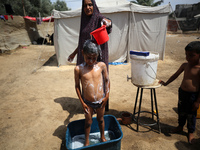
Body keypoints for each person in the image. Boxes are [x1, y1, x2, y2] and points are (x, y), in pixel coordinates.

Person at [68, 0, 112, 111]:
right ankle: (88, 104)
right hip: (86, 57)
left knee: (100, 79)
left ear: (94, 5)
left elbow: (107, 21)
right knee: (87, 80)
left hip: (98, 56)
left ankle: (101, 105)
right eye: (85, 5)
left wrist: (108, 22)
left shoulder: (98, 18)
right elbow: (82, 42)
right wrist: (74, 54)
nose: (88, 7)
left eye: (90, 5)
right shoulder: (84, 21)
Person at [159, 41, 200, 144]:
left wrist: (197, 101)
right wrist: (166, 83)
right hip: (182, 93)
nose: (188, 58)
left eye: (191, 55)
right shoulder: (185, 65)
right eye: (186, 54)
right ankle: (180, 126)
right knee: (181, 111)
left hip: (193, 96)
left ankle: (190, 132)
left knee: (191, 114)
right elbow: (175, 75)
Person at [74, 39, 110, 146]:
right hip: (87, 102)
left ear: (97, 55)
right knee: (88, 122)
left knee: (100, 119)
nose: (91, 61)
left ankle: (102, 136)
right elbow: (77, 86)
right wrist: (82, 103)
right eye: (88, 58)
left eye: (94, 58)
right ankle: (86, 141)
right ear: (83, 53)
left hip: (101, 101)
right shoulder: (78, 69)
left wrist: (107, 96)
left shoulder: (101, 66)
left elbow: (107, 80)